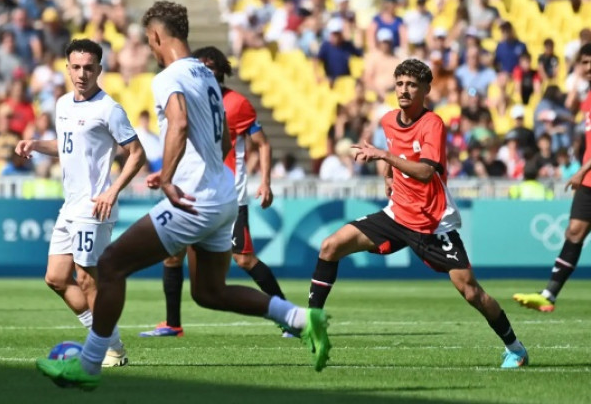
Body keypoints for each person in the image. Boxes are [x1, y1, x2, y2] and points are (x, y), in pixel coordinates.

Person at [36, 1, 330, 390]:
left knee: (109, 266)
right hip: (223, 196)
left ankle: (90, 364)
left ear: (158, 36)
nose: (152, 50)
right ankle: (298, 318)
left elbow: (179, 122)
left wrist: (170, 177)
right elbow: (223, 136)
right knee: (210, 292)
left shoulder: (169, 76)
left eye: (149, 42)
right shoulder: (206, 75)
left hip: (193, 198)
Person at [307, 58, 529, 369]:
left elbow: (425, 171)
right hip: (397, 214)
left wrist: (384, 156)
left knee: (471, 292)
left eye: (412, 84)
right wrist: (387, 174)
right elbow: (394, 149)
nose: (404, 90)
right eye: (399, 84)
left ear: (425, 89)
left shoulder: (432, 123)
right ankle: (311, 324)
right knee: (330, 246)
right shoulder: (387, 120)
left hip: (433, 222)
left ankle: (515, 349)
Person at [139, 45, 289, 338]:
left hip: (228, 192)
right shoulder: (192, 101)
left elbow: (263, 144)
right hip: (192, 189)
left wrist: (266, 182)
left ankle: (287, 315)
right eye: (202, 65)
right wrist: (168, 173)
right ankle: (172, 323)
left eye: (213, 66)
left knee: (243, 260)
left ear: (222, 70)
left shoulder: (237, 103)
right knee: (172, 257)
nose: (207, 70)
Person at [15, 39, 146, 368]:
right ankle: (108, 341)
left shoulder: (108, 108)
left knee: (87, 279)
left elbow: (137, 153)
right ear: (67, 68)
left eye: (89, 67)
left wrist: (112, 190)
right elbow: (66, 145)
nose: (82, 73)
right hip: (70, 205)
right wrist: (36, 144)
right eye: (76, 67)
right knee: (56, 278)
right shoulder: (62, 104)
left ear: (99, 70)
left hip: (94, 208)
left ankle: (108, 348)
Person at [514, 43, 591, 313]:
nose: (589, 67)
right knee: (574, 232)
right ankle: (549, 294)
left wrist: (581, 170)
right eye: (585, 62)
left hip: (586, 175)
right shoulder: (587, 98)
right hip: (589, 181)